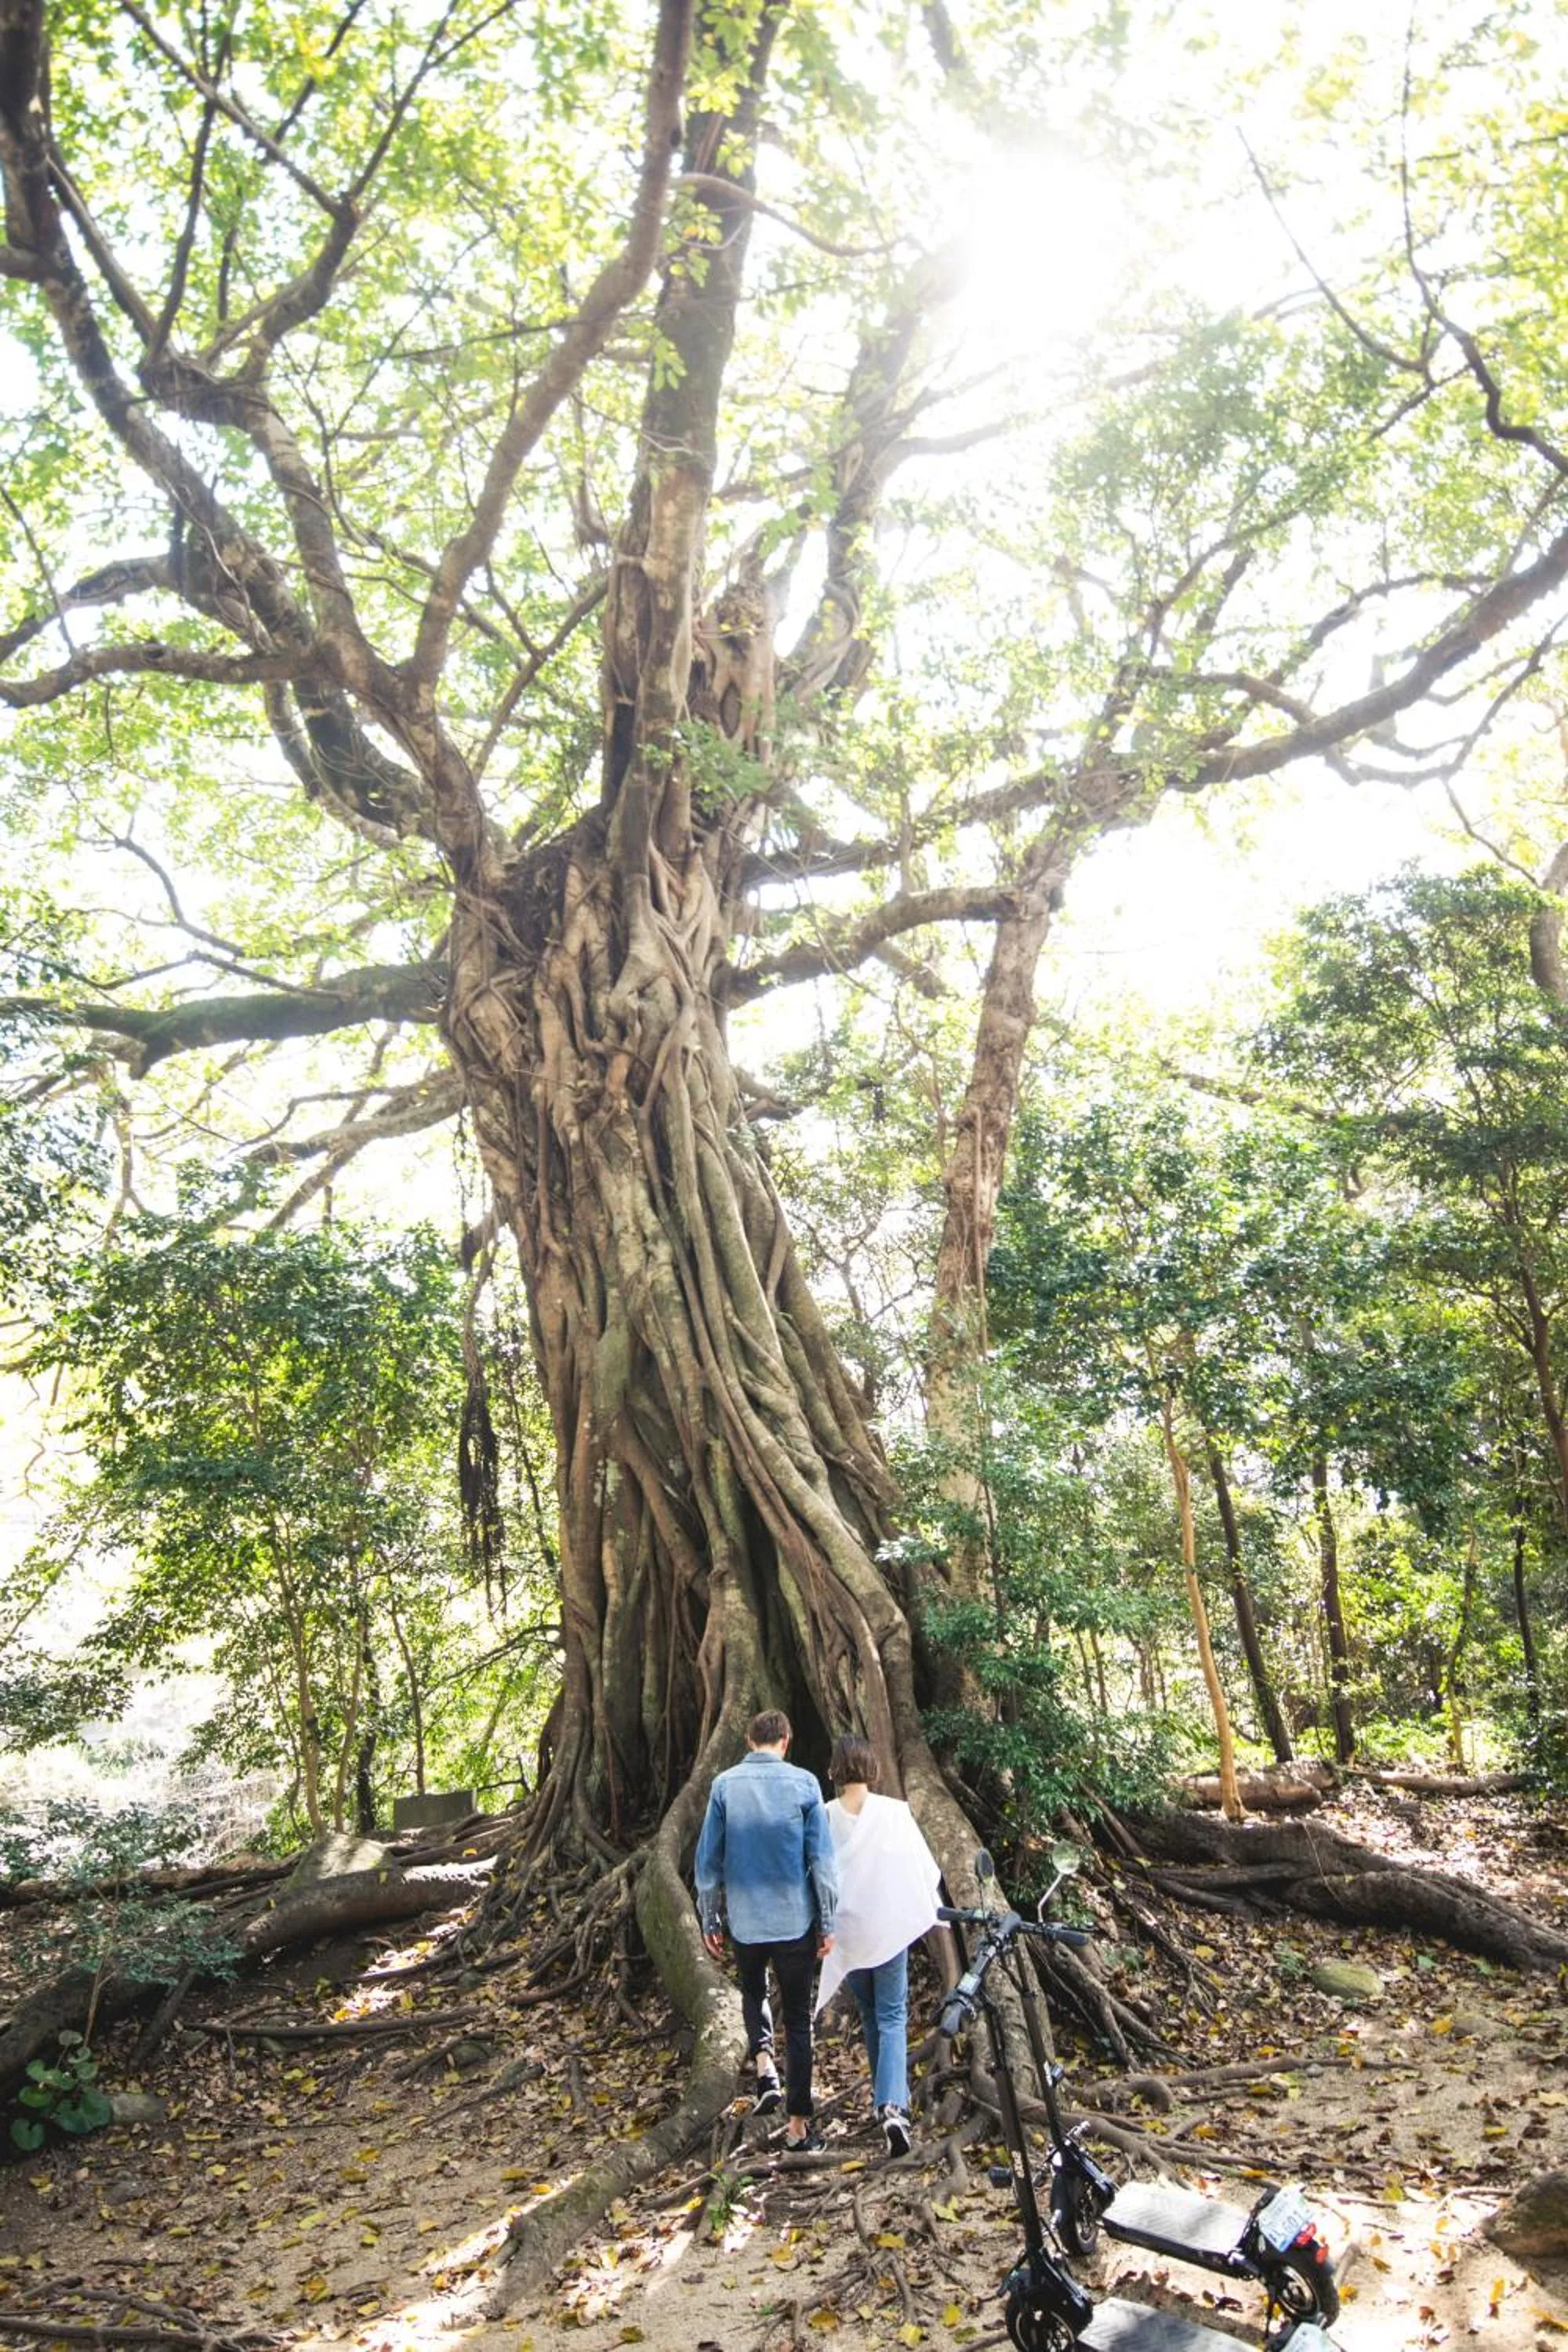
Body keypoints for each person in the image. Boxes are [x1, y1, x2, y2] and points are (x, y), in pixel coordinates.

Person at [695, 1708, 838, 2150]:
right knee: (797, 2019)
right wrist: (827, 1920)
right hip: (794, 1920)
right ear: (786, 1741)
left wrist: (710, 1917)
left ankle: (766, 2073)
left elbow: (707, 1861)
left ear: (748, 1740)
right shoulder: (805, 1784)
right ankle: (797, 2127)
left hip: (745, 1921)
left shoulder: (724, 1786)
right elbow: (822, 1862)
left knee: (754, 1993)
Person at [815, 1733, 942, 2158]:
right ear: (871, 1767)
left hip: (849, 1932)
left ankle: (884, 2103)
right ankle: (893, 2108)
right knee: (890, 2016)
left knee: (872, 2014)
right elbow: (924, 1869)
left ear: (835, 1769)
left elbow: (818, 1874)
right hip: (887, 1931)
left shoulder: (825, 1815)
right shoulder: (893, 1812)